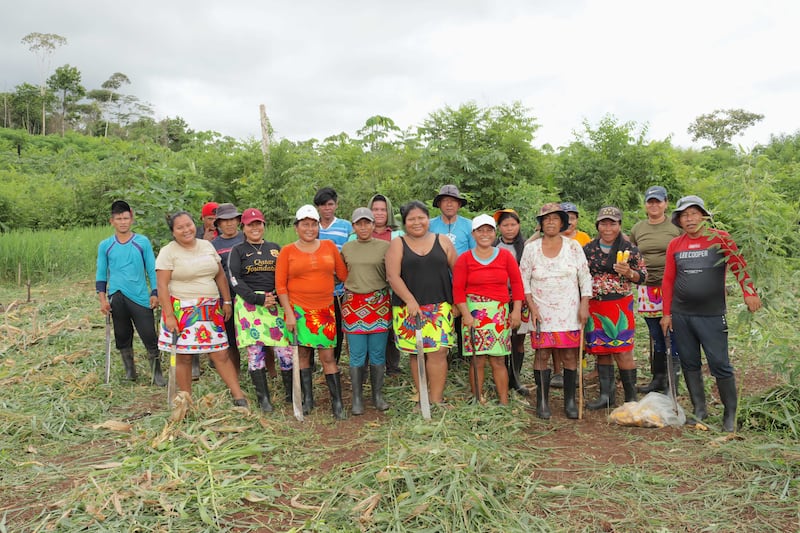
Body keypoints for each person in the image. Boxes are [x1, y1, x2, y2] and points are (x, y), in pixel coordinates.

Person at [660, 195, 761, 432]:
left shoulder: (720, 239)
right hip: (682, 315)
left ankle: (729, 414)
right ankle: (700, 410)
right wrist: (666, 313)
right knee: (689, 362)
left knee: (719, 363)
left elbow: (738, 265)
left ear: (704, 216)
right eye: (684, 215)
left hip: (712, 315)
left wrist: (749, 291)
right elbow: (668, 280)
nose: (690, 219)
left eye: (694, 213)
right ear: (679, 220)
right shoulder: (676, 245)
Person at [156, 211, 247, 407]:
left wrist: (227, 301)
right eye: (179, 227)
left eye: (188, 225)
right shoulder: (168, 252)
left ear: (193, 225)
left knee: (221, 353)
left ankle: (239, 396)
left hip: (211, 309)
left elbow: (220, 276)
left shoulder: (207, 246)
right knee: (184, 357)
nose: (185, 230)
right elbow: (162, 286)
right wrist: (170, 316)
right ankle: (186, 399)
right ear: (173, 232)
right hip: (182, 310)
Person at [276, 205, 349, 420]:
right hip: (298, 310)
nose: (309, 228)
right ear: (296, 227)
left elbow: (343, 274)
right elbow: (280, 286)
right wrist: (289, 313)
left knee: (328, 355)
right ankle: (308, 399)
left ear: (318, 226)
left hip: (325, 310)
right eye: (304, 224)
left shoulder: (329, 246)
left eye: (313, 224)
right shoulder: (287, 251)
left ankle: (337, 403)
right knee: (303, 354)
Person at [519, 203, 592, 419]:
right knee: (542, 354)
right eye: (546, 219)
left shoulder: (573, 247)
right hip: (540, 310)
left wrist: (585, 304)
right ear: (540, 224)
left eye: (555, 218)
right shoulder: (531, 248)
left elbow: (584, 276)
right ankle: (542, 401)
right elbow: (523, 279)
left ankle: (569, 401)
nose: (550, 222)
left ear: (562, 223)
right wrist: (531, 307)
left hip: (569, 309)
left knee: (570, 354)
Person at [386, 200, 458, 407]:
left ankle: (436, 399)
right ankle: (422, 396)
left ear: (428, 219)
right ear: (404, 222)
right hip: (408, 309)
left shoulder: (442, 240)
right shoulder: (398, 243)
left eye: (421, 218)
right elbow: (393, 276)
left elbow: (458, 272)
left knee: (439, 352)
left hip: (439, 306)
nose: (417, 222)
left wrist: (457, 302)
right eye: (411, 219)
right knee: (416, 353)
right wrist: (410, 301)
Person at [228, 207, 294, 413]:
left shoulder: (275, 248)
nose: (255, 228)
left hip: (275, 303)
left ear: (264, 226)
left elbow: (285, 274)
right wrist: (257, 298)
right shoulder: (237, 250)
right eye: (250, 225)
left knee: (285, 351)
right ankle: (264, 399)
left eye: (259, 224)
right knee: (255, 352)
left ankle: (292, 394)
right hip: (250, 306)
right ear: (244, 227)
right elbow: (234, 279)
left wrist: (273, 296)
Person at [453, 214, 523, 405]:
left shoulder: (505, 256)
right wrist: (466, 315)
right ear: (473, 234)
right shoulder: (464, 259)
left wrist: (516, 310)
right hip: (473, 313)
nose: (485, 234)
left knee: (498, 360)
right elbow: (458, 289)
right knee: (477, 360)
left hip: (499, 313)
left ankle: (503, 401)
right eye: (480, 230)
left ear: (495, 232)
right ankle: (478, 399)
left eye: (489, 230)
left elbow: (517, 284)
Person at [95, 200, 165, 386]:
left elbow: (152, 269)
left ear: (131, 219)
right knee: (122, 335)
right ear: (112, 221)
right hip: (116, 296)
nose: (123, 222)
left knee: (149, 335)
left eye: (126, 218)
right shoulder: (106, 245)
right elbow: (101, 274)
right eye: (119, 219)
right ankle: (130, 371)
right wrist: (102, 299)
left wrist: (155, 292)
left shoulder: (141, 242)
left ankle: (156, 372)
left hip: (140, 296)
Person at [583, 206, 647, 410]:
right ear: (598, 225)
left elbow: (642, 277)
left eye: (612, 223)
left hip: (619, 305)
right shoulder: (589, 249)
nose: (608, 228)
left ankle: (631, 396)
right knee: (602, 350)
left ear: (619, 225)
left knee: (622, 350)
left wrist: (628, 272)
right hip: (596, 305)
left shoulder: (629, 249)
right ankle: (606, 396)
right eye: (604, 223)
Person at [629, 186, 682, 394]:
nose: (654, 205)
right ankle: (658, 379)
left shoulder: (675, 227)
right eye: (650, 202)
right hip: (647, 288)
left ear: (666, 204)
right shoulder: (638, 228)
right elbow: (632, 254)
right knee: (655, 333)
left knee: (672, 332)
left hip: (672, 286)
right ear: (645, 205)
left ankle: (673, 383)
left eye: (658, 201)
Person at [340, 208, 392, 414]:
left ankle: (377, 396)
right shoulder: (346, 248)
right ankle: (357, 398)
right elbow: (341, 274)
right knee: (357, 355)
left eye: (367, 223)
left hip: (378, 304)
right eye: (359, 223)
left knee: (378, 353)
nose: (363, 227)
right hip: (353, 305)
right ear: (353, 226)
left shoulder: (386, 247)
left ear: (373, 225)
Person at [546, 201, 591, 389]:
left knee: (574, 338)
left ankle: (575, 370)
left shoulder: (581, 240)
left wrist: (584, 300)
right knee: (555, 338)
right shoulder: (543, 242)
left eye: (572, 218)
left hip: (576, 291)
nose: (570, 222)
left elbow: (585, 269)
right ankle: (557, 371)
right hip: (552, 296)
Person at [493, 208, 530, 396]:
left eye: (513, 224)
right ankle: (502, 376)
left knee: (518, 339)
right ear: (499, 227)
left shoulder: (526, 246)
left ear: (519, 225)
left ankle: (516, 377)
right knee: (501, 339)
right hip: (497, 299)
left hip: (519, 298)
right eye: (505, 225)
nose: (509, 229)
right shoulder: (493, 246)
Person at [314, 187, 352, 366]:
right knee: (317, 325)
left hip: (339, 288)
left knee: (336, 326)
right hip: (316, 287)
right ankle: (318, 363)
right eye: (323, 205)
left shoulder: (345, 226)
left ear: (336, 205)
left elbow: (350, 252)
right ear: (318, 207)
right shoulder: (312, 226)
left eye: (330, 204)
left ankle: (333, 363)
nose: (327, 209)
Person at [210, 203, 244, 378]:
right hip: (227, 296)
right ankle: (236, 373)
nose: (229, 224)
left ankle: (271, 371)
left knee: (261, 336)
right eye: (225, 221)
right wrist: (225, 300)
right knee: (231, 338)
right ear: (218, 224)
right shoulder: (213, 245)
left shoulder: (246, 238)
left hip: (248, 294)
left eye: (232, 219)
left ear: (238, 221)